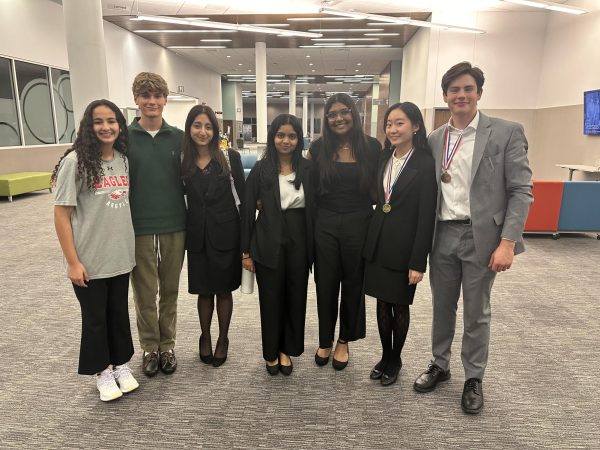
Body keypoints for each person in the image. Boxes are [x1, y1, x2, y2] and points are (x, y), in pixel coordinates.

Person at [413, 62, 533, 414]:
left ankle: (474, 377)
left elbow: (521, 190)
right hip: (443, 234)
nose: (461, 95)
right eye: (454, 90)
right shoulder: (436, 139)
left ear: (479, 93)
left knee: (477, 311)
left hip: (484, 236)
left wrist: (508, 242)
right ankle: (440, 364)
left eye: (468, 89)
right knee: (441, 307)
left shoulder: (506, 132)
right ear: (445, 96)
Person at [53, 99, 139, 401]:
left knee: (118, 314)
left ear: (120, 124)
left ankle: (121, 365)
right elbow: (62, 214)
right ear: (89, 127)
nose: (106, 127)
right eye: (98, 122)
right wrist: (72, 262)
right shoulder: (76, 161)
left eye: (111, 120)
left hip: (120, 256)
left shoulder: (122, 159)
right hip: (89, 259)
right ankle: (102, 372)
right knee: (95, 318)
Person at [363, 102, 437, 386]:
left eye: (400, 123)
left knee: (400, 305)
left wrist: (418, 261)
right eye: (389, 124)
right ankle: (385, 356)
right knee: (382, 303)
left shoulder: (425, 163)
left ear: (415, 126)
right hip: (379, 242)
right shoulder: (385, 158)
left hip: (405, 248)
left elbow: (426, 215)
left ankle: (396, 358)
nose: (392, 129)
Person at [307, 93, 382, 370]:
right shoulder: (317, 149)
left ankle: (343, 340)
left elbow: (384, 187)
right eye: (332, 114)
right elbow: (308, 190)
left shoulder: (372, 147)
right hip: (324, 224)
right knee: (325, 285)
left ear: (354, 113)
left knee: (353, 284)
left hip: (360, 223)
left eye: (344, 111)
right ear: (326, 119)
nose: (338, 118)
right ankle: (325, 340)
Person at [241, 114, 315, 376]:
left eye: (292, 136)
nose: (286, 140)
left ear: (299, 139)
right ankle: (271, 352)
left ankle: (287, 349)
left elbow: (316, 208)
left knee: (295, 298)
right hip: (268, 239)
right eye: (280, 135)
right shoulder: (262, 170)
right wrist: (246, 251)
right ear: (273, 138)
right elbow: (248, 209)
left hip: (300, 241)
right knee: (271, 300)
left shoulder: (308, 168)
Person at [128, 72, 186, 377]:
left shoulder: (178, 137)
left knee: (171, 290)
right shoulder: (124, 138)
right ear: (136, 99)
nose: (152, 102)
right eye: (145, 96)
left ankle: (168, 346)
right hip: (137, 228)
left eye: (157, 96)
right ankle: (150, 347)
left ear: (165, 99)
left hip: (175, 224)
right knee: (145, 293)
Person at [181, 105, 245, 368]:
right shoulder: (182, 158)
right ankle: (205, 335)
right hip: (197, 234)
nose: (202, 131)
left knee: (223, 290)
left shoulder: (229, 157)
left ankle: (223, 338)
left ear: (215, 131)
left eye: (208, 126)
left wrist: (246, 243)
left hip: (226, 234)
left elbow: (243, 198)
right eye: (197, 125)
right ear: (189, 129)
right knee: (204, 292)